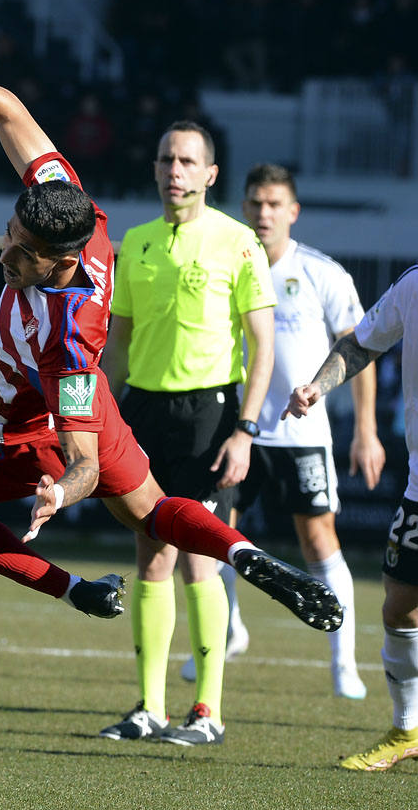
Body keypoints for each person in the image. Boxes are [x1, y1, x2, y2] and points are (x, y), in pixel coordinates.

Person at [0, 32, 342, 735]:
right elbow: (8, 109)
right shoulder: (70, 208)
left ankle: (70, 588)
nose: (6, 253)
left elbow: (84, 461)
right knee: (156, 512)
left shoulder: (64, 340)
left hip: (20, 433)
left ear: (62, 262)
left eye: (23, 254)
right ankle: (243, 553)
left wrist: (55, 492)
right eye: (9, 234)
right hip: (102, 401)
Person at [98, 120, 276, 746]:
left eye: (187, 161)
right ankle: (148, 708)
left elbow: (264, 346)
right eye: (166, 159)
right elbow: (117, 347)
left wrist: (246, 431)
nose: (175, 170)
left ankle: (208, 712)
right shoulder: (136, 245)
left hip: (209, 419)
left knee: (199, 562)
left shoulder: (238, 242)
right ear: (154, 169)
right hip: (142, 416)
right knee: (151, 556)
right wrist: (103, 418)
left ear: (210, 175)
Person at [179, 163, 386, 698]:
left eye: (275, 204)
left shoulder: (323, 273)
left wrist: (366, 431)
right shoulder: (226, 265)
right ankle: (227, 633)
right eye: (255, 203)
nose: (264, 213)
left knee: (318, 541)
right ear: (243, 208)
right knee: (210, 538)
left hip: (302, 436)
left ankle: (344, 663)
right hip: (236, 431)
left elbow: (361, 352)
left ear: (293, 212)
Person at [284, 267, 418, 771]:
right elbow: (359, 343)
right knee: (400, 605)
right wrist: (320, 385)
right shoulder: (412, 285)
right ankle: (406, 730)